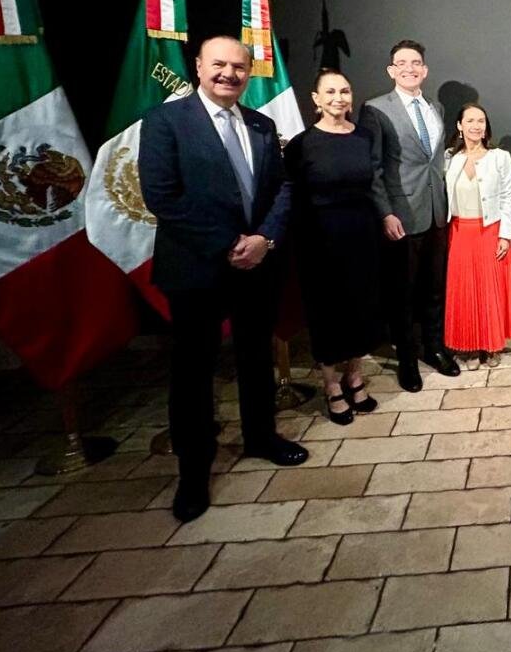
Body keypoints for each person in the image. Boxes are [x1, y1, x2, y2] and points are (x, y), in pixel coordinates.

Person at [139, 35, 308, 524]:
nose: (229, 74)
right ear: (198, 66)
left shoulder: (261, 124)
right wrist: (230, 243)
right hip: (197, 267)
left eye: (239, 66)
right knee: (193, 372)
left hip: (257, 265)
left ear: (249, 73)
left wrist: (264, 240)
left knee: (256, 356)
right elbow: (162, 196)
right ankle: (193, 473)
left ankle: (261, 437)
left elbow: (283, 188)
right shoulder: (165, 121)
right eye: (219, 64)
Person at [284, 68, 383, 425]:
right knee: (327, 314)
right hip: (319, 241)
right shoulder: (301, 145)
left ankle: (354, 376)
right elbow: (291, 196)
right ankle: (330, 385)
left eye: (344, 91)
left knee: (361, 308)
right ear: (316, 99)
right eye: (330, 92)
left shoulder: (364, 137)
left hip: (362, 236)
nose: (338, 98)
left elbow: (373, 185)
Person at [364, 40, 460, 392]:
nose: (409, 68)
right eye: (402, 63)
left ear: (425, 69)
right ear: (391, 70)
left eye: (416, 62)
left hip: (437, 212)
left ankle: (434, 348)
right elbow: (373, 168)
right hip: (401, 217)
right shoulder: (376, 109)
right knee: (401, 294)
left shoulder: (435, 107)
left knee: (434, 289)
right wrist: (385, 213)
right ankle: (407, 359)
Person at [443, 103, 511, 367]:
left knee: (490, 292)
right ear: (459, 125)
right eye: (470, 120)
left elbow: (508, 196)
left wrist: (505, 235)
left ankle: (491, 345)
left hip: (490, 232)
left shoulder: (499, 157)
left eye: (481, 121)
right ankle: (469, 346)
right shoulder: (449, 158)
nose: (476, 126)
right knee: (464, 292)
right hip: (459, 234)